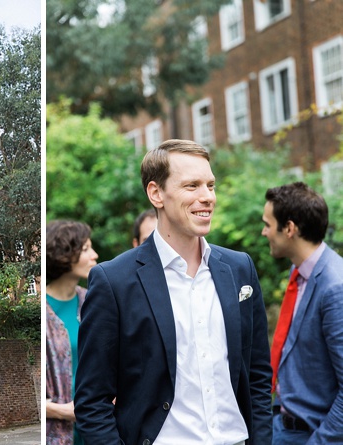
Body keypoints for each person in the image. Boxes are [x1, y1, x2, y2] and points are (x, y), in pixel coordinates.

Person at [75, 139, 272, 444]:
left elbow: (258, 375)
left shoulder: (239, 268)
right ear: (156, 193)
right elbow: (92, 402)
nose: (207, 197)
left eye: (211, 185)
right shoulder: (113, 281)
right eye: (192, 186)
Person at [262, 182, 343, 443]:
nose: (264, 232)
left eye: (268, 224)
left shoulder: (335, 288)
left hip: (313, 435)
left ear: (289, 229)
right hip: (283, 425)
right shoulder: (299, 272)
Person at [45, 220, 98, 445]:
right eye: (86, 249)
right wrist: (63, 411)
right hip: (57, 434)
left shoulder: (94, 301)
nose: (95, 255)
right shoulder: (44, 311)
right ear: (63, 254)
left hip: (97, 430)